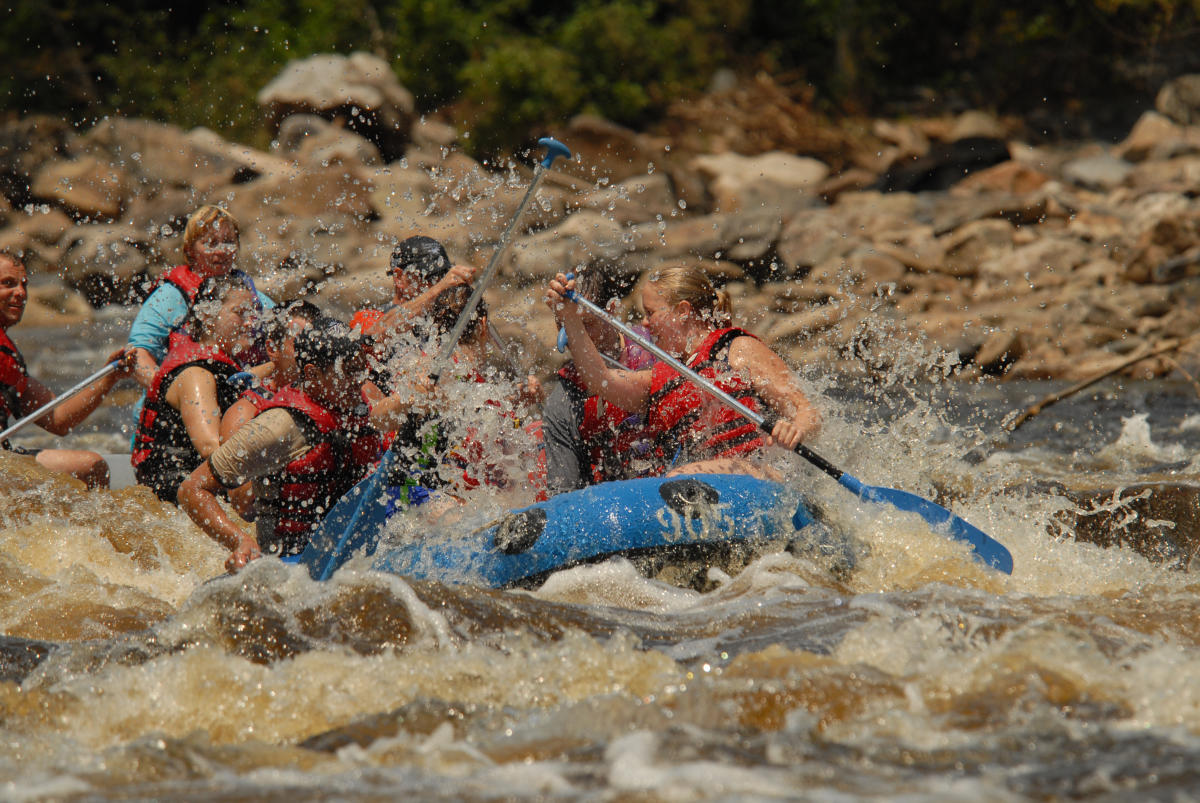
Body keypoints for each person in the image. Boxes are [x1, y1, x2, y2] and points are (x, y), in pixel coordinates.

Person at [546, 263, 821, 478]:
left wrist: (795, 430)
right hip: (697, 488)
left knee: (679, 477)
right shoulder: (662, 376)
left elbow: (807, 411)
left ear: (682, 311)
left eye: (651, 312)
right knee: (675, 479)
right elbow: (601, 381)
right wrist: (570, 316)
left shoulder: (738, 349)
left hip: (758, 475)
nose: (643, 322)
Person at [178, 324, 382, 571]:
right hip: (292, 563)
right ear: (313, 374)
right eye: (349, 372)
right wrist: (240, 542)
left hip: (354, 553)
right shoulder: (278, 428)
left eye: (361, 370)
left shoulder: (363, 400)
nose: (358, 382)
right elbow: (192, 489)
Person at [0, 250, 133, 488]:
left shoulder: (8, 357)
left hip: (3, 459)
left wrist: (109, 378)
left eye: (24, 285)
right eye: (8, 284)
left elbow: (58, 419)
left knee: (91, 467)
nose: (20, 293)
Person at [126, 205, 274, 415]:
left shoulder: (253, 299)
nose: (222, 250)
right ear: (189, 250)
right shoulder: (171, 297)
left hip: (234, 408)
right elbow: (137, 354)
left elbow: (287, 340)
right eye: (211, 243)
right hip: (175, 416)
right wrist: (177, 396)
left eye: (229, 242)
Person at [131, 278, 255, 502]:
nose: (250, 323)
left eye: (253, 313)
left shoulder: (215, 363)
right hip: (176, 505)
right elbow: (211, 449)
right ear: (207, 316)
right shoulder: (196, 375)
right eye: (240, 313)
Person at [542, 268, 656, 493]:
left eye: (585, 325)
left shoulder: (655, 350)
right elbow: (564, 496)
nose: (572, 336)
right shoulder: (563, 401)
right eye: (564, 324)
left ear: (611, 310)